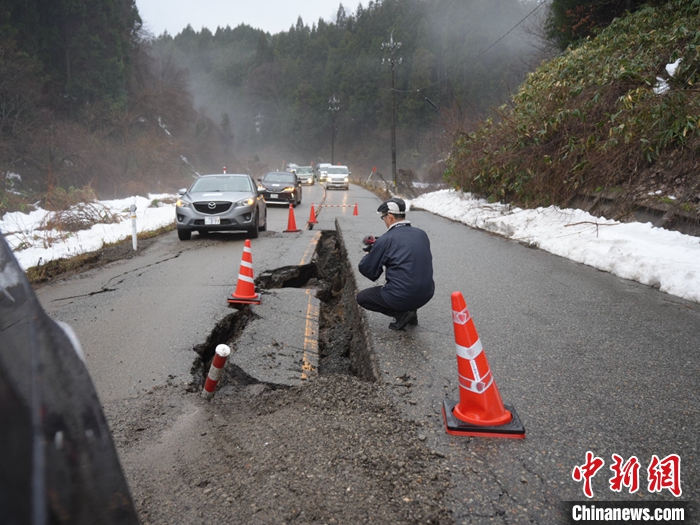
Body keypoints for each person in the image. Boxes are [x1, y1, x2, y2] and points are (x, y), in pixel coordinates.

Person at [356, 197, 435, 330]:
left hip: (401, 295)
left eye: (383, 217)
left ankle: (402, 314)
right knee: (410, 276)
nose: (384, 220)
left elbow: (368, 270)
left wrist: (369, 254)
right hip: (427, 293)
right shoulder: (421, 234)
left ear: (390, 217)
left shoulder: (386, 240)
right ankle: (410, 312)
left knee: (362, 298)